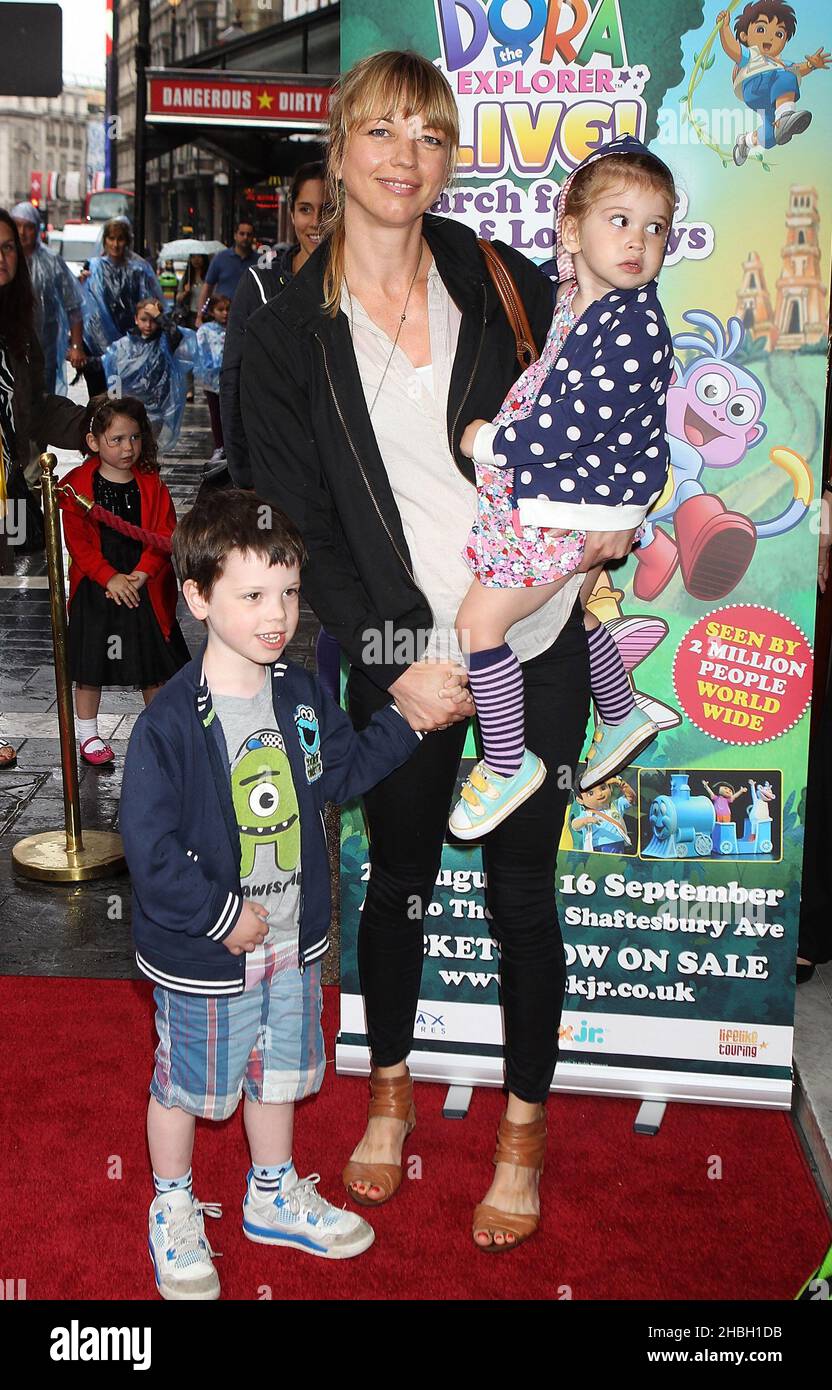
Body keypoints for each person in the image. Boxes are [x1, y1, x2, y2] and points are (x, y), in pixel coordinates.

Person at [239, 50, 639, 1250]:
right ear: (341, 149)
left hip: (539, 625)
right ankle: (390, 1092)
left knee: (525, 894)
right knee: (399, 886)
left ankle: (522, 1131)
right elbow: (302, 515)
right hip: (403, 646)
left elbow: (603, 402)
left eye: (427, 133)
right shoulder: (283, 330)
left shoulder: (505, 279)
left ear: (447, 157)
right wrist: (393, 655)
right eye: (381, 132)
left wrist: (610, 521)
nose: (404, 156)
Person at [119, 489, 423, 1299]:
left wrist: (408, 719)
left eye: (288, 592)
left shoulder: (297, 692)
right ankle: (174, 1203)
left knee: (277, 1072)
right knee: (188, 1082)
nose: (276, 614)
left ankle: (272, 1191)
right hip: (206, 951)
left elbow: (340, 777)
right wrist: (221, 916)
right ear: (197, 597)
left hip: (291, 941)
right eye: (251, 595)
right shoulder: (172, 723)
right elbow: (148, 852)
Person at [447, 136, 674, 840]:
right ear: (572, 231)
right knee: (573, 613)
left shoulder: (632, 323)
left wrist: (488, 441)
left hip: (562, 506)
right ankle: (621, 710)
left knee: (479, 626)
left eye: (656, 227)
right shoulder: (586, 299)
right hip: (566, 506)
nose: (639, 241)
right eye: (621, 220)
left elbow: (572, 424)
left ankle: (506, 763)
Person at [217, 164, 338, 696]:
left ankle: (332, 720)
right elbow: (233, 379)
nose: (316, 221)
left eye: (327, 209)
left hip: (337, 477)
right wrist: (244, 477)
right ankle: (261, 711)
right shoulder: (261, 283)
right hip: (269, 476)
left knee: (338, 608)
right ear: (291, 214)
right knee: (269, 602)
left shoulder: (354, 282)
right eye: (306, 209)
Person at [0, 208, 90, 768]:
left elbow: (33, 414)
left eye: (8, 247)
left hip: (6, 488)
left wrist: (94, 427)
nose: (2, 258)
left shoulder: (19, 333)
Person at [61, 394, 189, 767]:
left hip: (141, 587)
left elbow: (164, 532)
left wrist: (141, 573)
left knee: (153, 666)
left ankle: (160, 731)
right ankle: (88, 734)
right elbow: (79, 543)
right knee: (90, 668)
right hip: (97, 588)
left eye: (133, 438)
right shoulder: (76, 487)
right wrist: (108, 577)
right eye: (115, 440)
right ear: (94, 442)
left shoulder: (152, 485)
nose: (126, 447)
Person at [81, 218, 164, 398]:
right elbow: (84, 306)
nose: (116, 244)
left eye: (120, 239)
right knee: (98, 397)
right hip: (96, 347)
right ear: (105, 241)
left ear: (127, 241)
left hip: (128, 345)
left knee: (120, 399)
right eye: (111, 239)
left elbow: (149, 304)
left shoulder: (138, 270)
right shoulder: (93, 267)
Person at [10, 201, 86, 395]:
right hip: (10, 345)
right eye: (17, 225)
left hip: (44, 349)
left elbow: (74, 306)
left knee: (41, 401)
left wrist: (76, 346)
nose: (22, 232)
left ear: (37, 229)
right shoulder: (5, 258)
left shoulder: (51, 261)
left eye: (28, 227)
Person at [102, 298, 196, 452]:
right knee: (131, 447)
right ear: (136, 319)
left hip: (156, 406)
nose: (148, 325)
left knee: (149, 446)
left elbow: (176, 335)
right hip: (128, 406)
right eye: (144, 319)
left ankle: (148, 474)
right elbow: (111, 368)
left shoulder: (164, 342)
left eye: (153, 320)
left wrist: (160, 316)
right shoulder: (125, 345)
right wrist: (115, 403)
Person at [194, 220, 256, 328]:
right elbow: (207, 288)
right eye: (242, 233)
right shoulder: (220, 258)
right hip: (222, 317)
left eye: (249, 234)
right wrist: (200, 315)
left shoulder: (260, 261)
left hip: (249, 318)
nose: (245, 237)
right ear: (235, 235)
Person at [195, 293, 229, 462]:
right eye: (220, 309)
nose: (225, 313)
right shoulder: (205, 330)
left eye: (227, 309)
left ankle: (231, 446)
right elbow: (201, 354)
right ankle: (219, 445)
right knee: (215, 414)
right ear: (212, 311)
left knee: (229, 414)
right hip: (211, 381)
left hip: (230, 379)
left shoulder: (235, 328)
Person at [175, 253, 210, 330]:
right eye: (193, 257)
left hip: (206, 315)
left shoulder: (209, 276)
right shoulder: (187, 277)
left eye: (199, 256)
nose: (196, 260)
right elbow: (178, 298)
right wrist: (185, 293)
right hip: (190, 315)